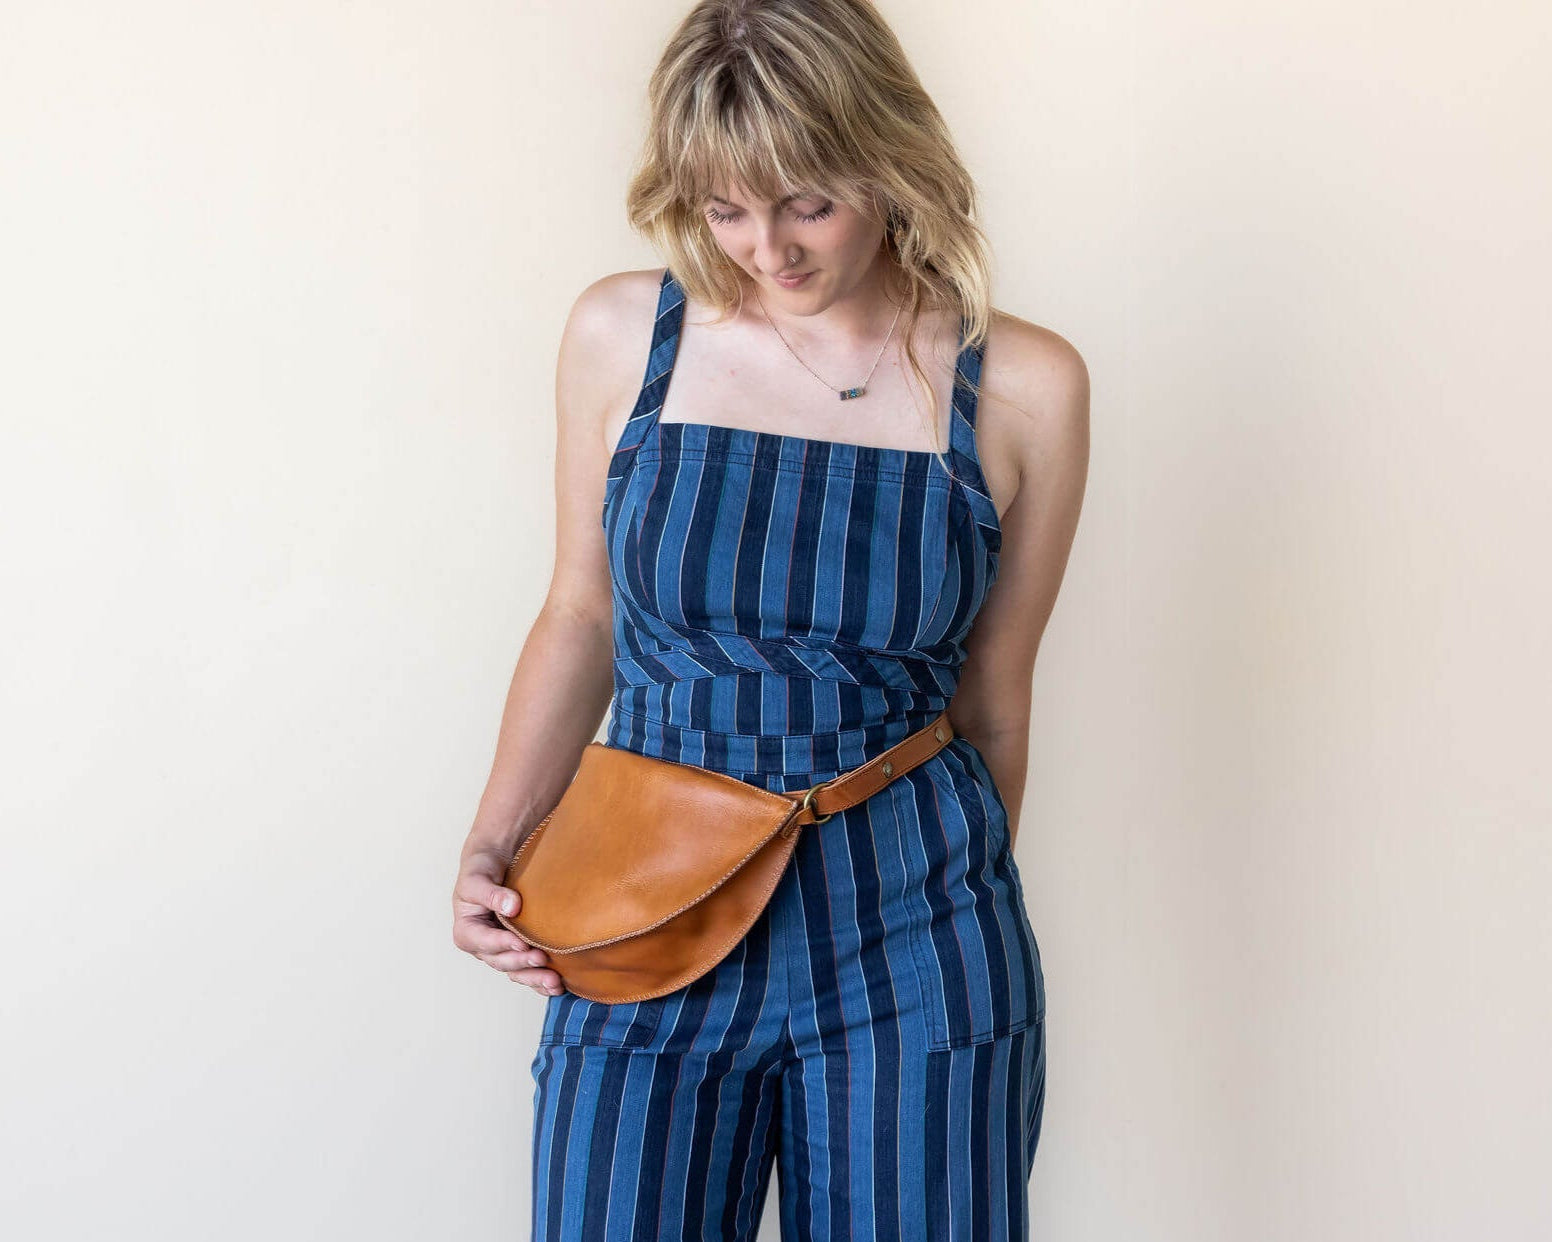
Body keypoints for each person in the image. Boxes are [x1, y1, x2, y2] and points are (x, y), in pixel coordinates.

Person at [451, 1, 1088, 1237]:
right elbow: (580, 612)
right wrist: (494, 839)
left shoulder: (1025, 386)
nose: (767, 250)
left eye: (808, 204)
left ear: (890, 162)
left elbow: (995, 700)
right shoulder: (621, 335)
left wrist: (932, 902)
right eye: (724, 209)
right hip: (643, 899)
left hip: (917, 930)